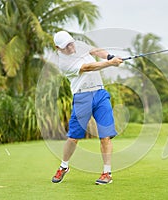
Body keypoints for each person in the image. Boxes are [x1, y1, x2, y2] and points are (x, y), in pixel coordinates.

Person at [51, 30, 123, 185]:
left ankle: (107, 173)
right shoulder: (63, 63)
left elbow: (95, 51)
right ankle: (64, 166)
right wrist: (110, 63)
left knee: (105, 135)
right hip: (82, 97)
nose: (71, 48)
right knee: (74, 137)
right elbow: (89, 67)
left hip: (100, 94)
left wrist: (109, 57)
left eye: (71, 44)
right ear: (58, 48)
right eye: (66, 47)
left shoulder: (79, 45)